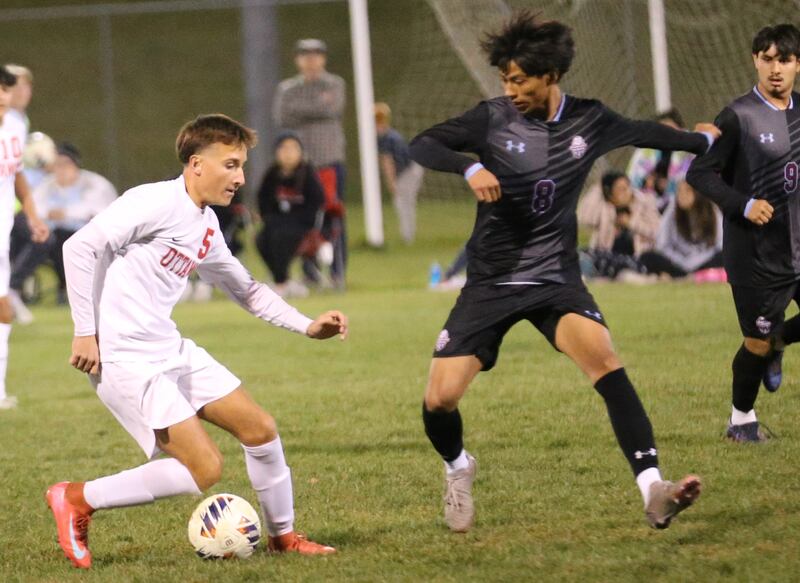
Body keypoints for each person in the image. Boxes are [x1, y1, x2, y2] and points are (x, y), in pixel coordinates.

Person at [408, 12, 719, 532]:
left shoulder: (590, 120)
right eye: (505, 79)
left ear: (551, 75)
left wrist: (703, 141)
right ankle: (458, 468)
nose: (510, 89)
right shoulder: (491, 118)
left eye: (519, 79)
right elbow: (423, 143)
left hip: (555, 278)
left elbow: (648, 133)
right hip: (492, 281)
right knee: (440, 399)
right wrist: (469, 165)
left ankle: (654, 489)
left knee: (605, 362)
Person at [45, 114, 347, 569]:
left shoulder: (206, 226)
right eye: (231, 165)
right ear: (196, 164)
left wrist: (307, 325)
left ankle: (283, 537)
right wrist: (86, 331)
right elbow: (79, 248)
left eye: (242, 166)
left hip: (168, 346)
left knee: (259, 429)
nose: (241, 177)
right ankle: (75, 497)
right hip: (124, 355)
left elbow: (246, 290)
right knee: (202, 470)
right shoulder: (152, 201)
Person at [687, 24, 800, 442]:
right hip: (755, 256)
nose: (775, 68)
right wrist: (743, 204)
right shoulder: (738, 116)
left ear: (797, 65)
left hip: (797, 248)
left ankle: (780, 340)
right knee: (755, 341)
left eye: (784, 60)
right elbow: (699, 172)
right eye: (767, 58)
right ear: (755, 60)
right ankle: (741, 420)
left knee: (770, 337)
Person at [273, 39, 347, 287]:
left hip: (329, 161)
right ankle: (309, 271)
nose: (311, 60)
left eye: (316, 54)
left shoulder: (334, 84)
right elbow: (283, 114)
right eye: (305, 55)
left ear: (323, 58)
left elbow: (331, 108)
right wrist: (317, 105)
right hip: (300, 165)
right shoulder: (287, 88)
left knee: (333, 215)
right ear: (298, 59)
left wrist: (302, 109)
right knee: (300, 217)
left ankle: (337, 271)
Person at [10, 142, 117, 306]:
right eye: (57, 165)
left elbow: (104, 212)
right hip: (55, 242)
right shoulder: (47, 185)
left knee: (67, 238)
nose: (61, 170)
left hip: (87, 242)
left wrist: (65, 213)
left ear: (76, 165)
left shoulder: (95, 183)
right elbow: (34, 208)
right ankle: (13, 288)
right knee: (37, 235)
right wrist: (51, 215)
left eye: (65, 164)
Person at [0, 65, 49, 410]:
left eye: (6, 89)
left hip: (3, 230)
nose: (4, 96)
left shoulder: (15, 126)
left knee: (3, 308)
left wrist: (32, 214)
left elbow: (16, 175)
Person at [255, 131, 324, 297]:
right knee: (261, 239)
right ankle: (282, 280)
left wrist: (297, 219)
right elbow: (263, 199)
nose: (288, 153)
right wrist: (269, 218)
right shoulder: (272, 174)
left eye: (293, 149)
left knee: (281, 238)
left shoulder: (307, 174)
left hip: (301, 225)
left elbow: (316, 202)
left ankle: (281, 283)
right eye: (284, 149)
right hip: (276, 223)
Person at [577, 170, 659, 280]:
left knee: (610, 264)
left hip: (636, 260)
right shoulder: (606, 207)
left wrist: (631, 223)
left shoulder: (644, 202)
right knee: (580, 254)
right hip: (606, 257)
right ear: (610, 192)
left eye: (627, 187)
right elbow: (585, 218)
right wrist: (598, 188)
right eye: (621, 189)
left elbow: (657, 232)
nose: (627, 192)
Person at [638, 181, 724, 279]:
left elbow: (721, 244)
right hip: (678, 262)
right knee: (647, 257)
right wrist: (681, 262)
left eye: (687, 191)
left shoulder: (711, 210)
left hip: (704, 261)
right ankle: (686, 276)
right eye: (679, 191)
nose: (682, 195)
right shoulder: (672, 210)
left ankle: (695, 275)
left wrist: (697, 260)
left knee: (727, 255)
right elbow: (662, 244)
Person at [627, 109, 695, 213]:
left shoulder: (689, 151)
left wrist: (669, 186)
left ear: (680, 129)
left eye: (671, 128)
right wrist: (647, 181)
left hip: (682, 205)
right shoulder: (645, 151)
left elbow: (692, 180)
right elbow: (633, 177)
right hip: (648, 207)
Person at [375, 102, 424, 244]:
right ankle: (407, 235)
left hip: (409, 171)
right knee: (403, 203)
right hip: (411, 168)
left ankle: (408, 237)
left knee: (403, 203)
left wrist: (391, 184)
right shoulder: (389, 134)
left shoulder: (385, 137)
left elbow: (387, 162)